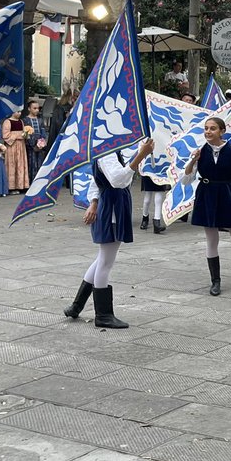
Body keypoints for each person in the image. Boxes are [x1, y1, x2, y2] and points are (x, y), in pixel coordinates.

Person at [64, 138, 155, 329]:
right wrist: (141, 155)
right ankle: (103, 315)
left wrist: (94, 202)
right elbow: (117, 180)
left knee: (102, 259)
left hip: (113, 205)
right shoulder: (107, 152)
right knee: (106, 261)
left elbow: (99, 182)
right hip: (111, 208)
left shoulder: (111, 151)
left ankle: (77, 305)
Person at [183, 116, 231, 296]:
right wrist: (194, 160)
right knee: (211, 238)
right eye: (206, 128)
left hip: (227, 193)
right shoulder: (200, 151)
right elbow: (186, 179)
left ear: (222, 131)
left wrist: (227, 184)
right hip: (207, 194)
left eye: (213, 128)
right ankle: (215, 281)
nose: (208, 132)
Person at [2, 110, 30, 193]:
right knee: (12, 164)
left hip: (21, 146)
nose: (19, 113)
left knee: (21, 164)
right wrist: (18, 135)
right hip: (12, 146)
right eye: (17, 111)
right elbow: (5, 135)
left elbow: (24, 134)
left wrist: (25, 135)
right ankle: (11, 187)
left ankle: (21, 185)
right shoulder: (7, 122)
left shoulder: (21, 121)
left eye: (20, 112)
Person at [139, 164, 169, 235]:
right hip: (147, 168)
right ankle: (145, 217)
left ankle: (157, 221)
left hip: (160, 168)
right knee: (147, 199)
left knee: (158, 198)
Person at [23, 99, 48, 182]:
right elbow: (26, 134)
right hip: (30, 146)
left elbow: (43, 132)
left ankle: (39, 181)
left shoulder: (40, 120)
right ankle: (30, 182)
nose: (37, 110)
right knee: (31, 163)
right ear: (29, 109)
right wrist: (32, 145)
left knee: (40, 163)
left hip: (39, 145)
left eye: (38, 108)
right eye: (34, 108)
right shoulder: (25, 120)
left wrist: (41, 143)